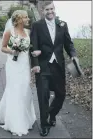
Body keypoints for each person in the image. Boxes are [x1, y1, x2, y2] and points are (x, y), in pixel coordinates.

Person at [0, 10, 36, 137]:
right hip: (13, 65)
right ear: (19, 19)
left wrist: (33, 54)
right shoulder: (9, 32)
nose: (28, 19)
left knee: (24, 90)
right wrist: (13, 51)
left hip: (24, 65)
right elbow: (3, 47)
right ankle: (15, 122)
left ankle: (24, 116)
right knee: (14, 90)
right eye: (26, 18)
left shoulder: (28, 32)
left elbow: (30, 48)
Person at [30, 1, 77, 137]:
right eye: (47, 10)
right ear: (42, 11)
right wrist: (35, 64)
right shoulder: (37, 26)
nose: (50, 12)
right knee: (43, 95)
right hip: (43, 66)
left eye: (52, 9)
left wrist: (73, 55)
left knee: (61, 94)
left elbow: (69, 44)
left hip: (58, 66)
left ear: (54, 9)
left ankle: (51, 113)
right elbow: (33, 46)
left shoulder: (62, 25)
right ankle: (44, 125)